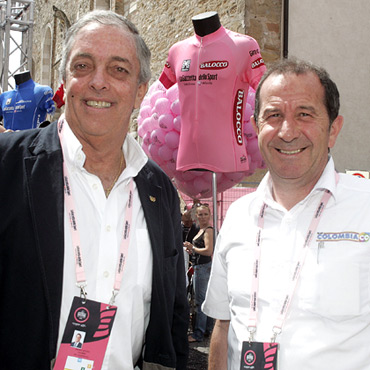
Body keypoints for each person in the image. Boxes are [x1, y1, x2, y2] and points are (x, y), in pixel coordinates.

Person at [0, 10, 188, 370]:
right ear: (64, 82)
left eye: (119, 69)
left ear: (139, 92)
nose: (98, 82)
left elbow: (173, 317)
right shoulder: (8, 167)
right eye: (83, 66)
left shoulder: (159, 189)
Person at [203, 58, 370, 369]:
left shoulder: (365, 209)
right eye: (274, 115)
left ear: (333, 129)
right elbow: (224, 326)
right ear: (255, 128)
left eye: (304, 114)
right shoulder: (237, 218)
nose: (287, 131)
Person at [159, 11, 265, 173]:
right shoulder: (177, 51)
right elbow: (162, 89)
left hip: (227, 155)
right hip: (185, 156)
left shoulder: (244, 45)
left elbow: (265, 90)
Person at [184, 204, 214, 342]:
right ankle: (207, 330)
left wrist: (193, 248)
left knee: (200, 302)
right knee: (203, 300)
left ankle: (199, 333)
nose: (203, 217)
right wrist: (192, 250)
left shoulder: (208, 231)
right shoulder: (202, 229)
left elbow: (208, 251)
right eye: (200, 214)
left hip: (202, 268)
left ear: (210, 215)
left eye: (205, 214)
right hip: (200, 267)